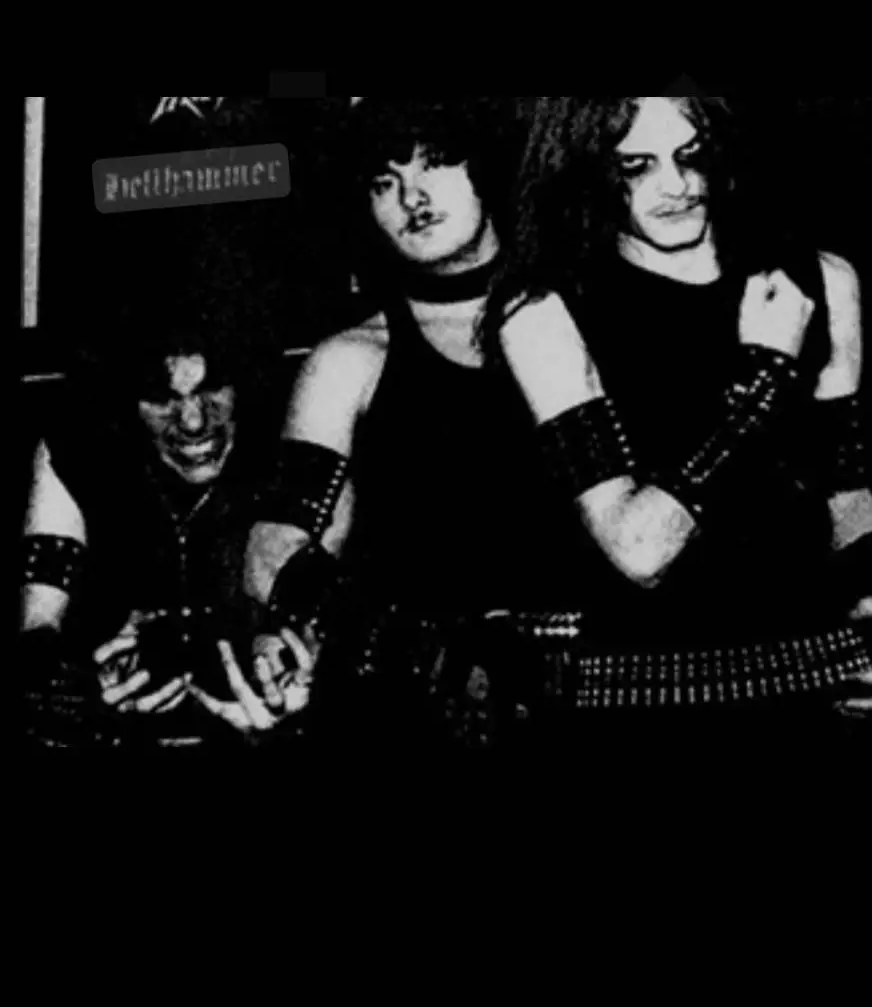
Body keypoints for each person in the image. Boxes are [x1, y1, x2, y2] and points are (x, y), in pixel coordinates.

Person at [479, 95, 871, 742]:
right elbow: (638, 551)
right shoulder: (544, 313)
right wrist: (762, 380)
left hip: (812, 683)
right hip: (642, 703)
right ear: (585, 170)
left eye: (692, 156)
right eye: (636, 166)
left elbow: (848, 495)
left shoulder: (820, 280)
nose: (678, 185)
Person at [244, 98, 583, 750]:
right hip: (419, 717)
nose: (412, 197)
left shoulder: (584, 317)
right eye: (384, 181)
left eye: (436, 163)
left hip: (597, 700)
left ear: (486, 167)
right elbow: (274, 557)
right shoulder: (350, 360)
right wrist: (427, 650)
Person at [21, 281, 311, 752]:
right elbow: (36, 633)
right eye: (162, 398)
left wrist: (296, 689)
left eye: (212, 389)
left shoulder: (297, 453)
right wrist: (77, 689)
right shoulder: (74, 455)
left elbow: (322, 628)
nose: (193, 420)